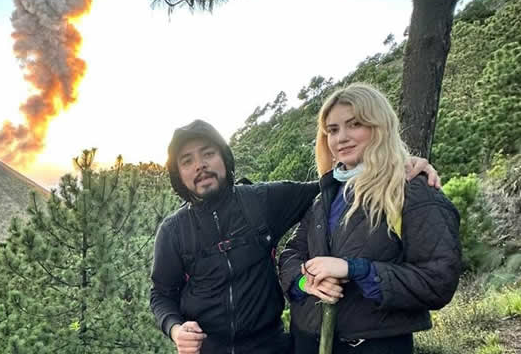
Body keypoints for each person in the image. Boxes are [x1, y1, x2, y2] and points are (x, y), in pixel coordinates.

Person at [150, 119, 439, 354]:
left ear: (224, 158)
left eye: (208, 153)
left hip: (271, 346)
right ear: (178, 174)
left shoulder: (261, 201)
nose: (200, 165)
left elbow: (329, 186)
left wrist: (396, 164)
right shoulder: (173, 231)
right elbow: (161, 294)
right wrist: (175, 329)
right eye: (187, 160)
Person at [278, 83, 461, 354]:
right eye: (333, 130)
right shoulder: (325, 195)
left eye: (355, 124)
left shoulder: (412, 190)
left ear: (380, 126)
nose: (341, 138)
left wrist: (356, 270)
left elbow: (438, 281)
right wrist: (306, 282)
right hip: (307, 343)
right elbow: (291, 254)